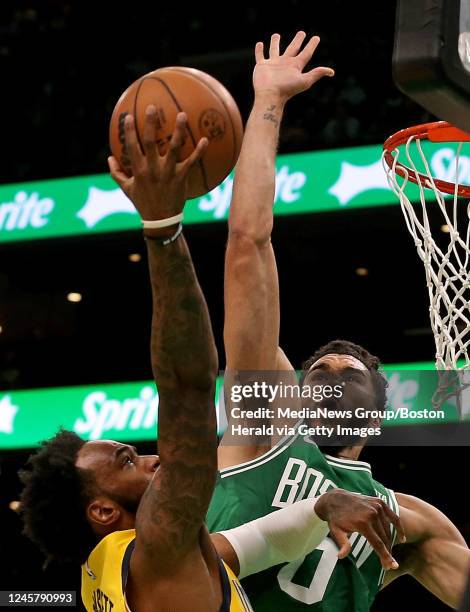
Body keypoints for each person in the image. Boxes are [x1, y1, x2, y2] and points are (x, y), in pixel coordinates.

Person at [19, 107, 401, 612]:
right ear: (103, 510)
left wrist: (320, 506)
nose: (153, 457)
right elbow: (186, 384)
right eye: (127, 461)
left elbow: (255, 544)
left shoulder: (119, 565)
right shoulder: (161, 550)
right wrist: (161, 227)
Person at [207, 31, 470, 610]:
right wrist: (269, 104)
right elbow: (248, 243)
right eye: (316, 372)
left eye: (348, 375)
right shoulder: (262, 429)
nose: (327, 374)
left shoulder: (412, 521)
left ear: (375, 414)